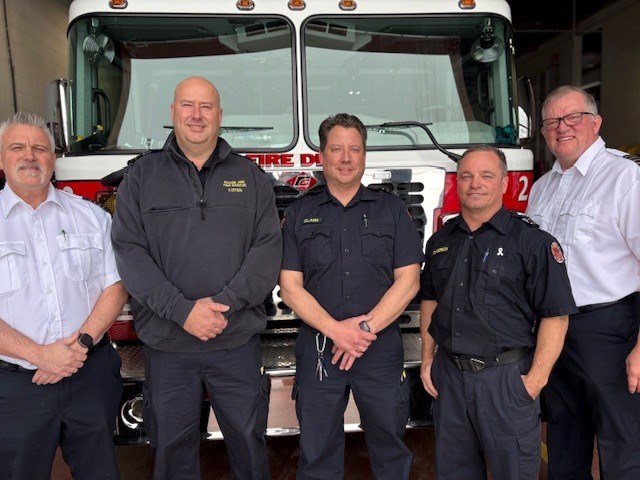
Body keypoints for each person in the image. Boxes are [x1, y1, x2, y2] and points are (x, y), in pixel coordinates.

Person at [111, 76, 281, 479]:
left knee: (249, 444)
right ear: (173, 114)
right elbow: (130, 253)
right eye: (187, 105)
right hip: (168, 346)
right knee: (171, 450)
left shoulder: (252, 178)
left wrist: (223, 306)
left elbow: (267, 250)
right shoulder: (140, 178)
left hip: (235, 340)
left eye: (206, 107)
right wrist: (182, 311)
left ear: (220, 117)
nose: (197, 115)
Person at [420, 145, 578, 480]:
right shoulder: (440, 242)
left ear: (504, 183)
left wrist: (534, 382)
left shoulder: (533, 243)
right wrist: (427, 358)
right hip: (450, 378)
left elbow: (556, 315)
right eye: (466, 176)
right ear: (457, 183)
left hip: (505, 380)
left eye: (486, 175)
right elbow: (430, 300)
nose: (475, 183)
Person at [279, 113, 423, 479]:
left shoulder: (391, 210)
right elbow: (290, 288)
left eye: (354, 149)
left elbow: (408, 281)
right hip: (319, 351)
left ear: (364, 156)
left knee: (391, 448)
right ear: (322, 157)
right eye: (337, 149)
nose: (346, 157)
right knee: (316, 452)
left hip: (378, 347)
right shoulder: (299, 213)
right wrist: (335, 330)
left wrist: (361, 327)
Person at [0, 112, 128, 479]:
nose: (30, 156)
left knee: (100, 472)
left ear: (53, 158)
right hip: (17, 384)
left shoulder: (92, 218)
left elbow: (116, 285)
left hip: (89, 374)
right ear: (1, 159)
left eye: (40, 148)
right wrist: (40, 354)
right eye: (17, 148)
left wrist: (81, 344)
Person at [526, 85, 640, 479]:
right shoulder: (541, 190)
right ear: (543, 132)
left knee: (622, 447)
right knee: (564, 443)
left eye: (572, 117)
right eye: (552, 121)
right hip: (553, 331)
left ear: (596, 122)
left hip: (608, 331)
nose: (563, 127)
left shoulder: (624, 177)